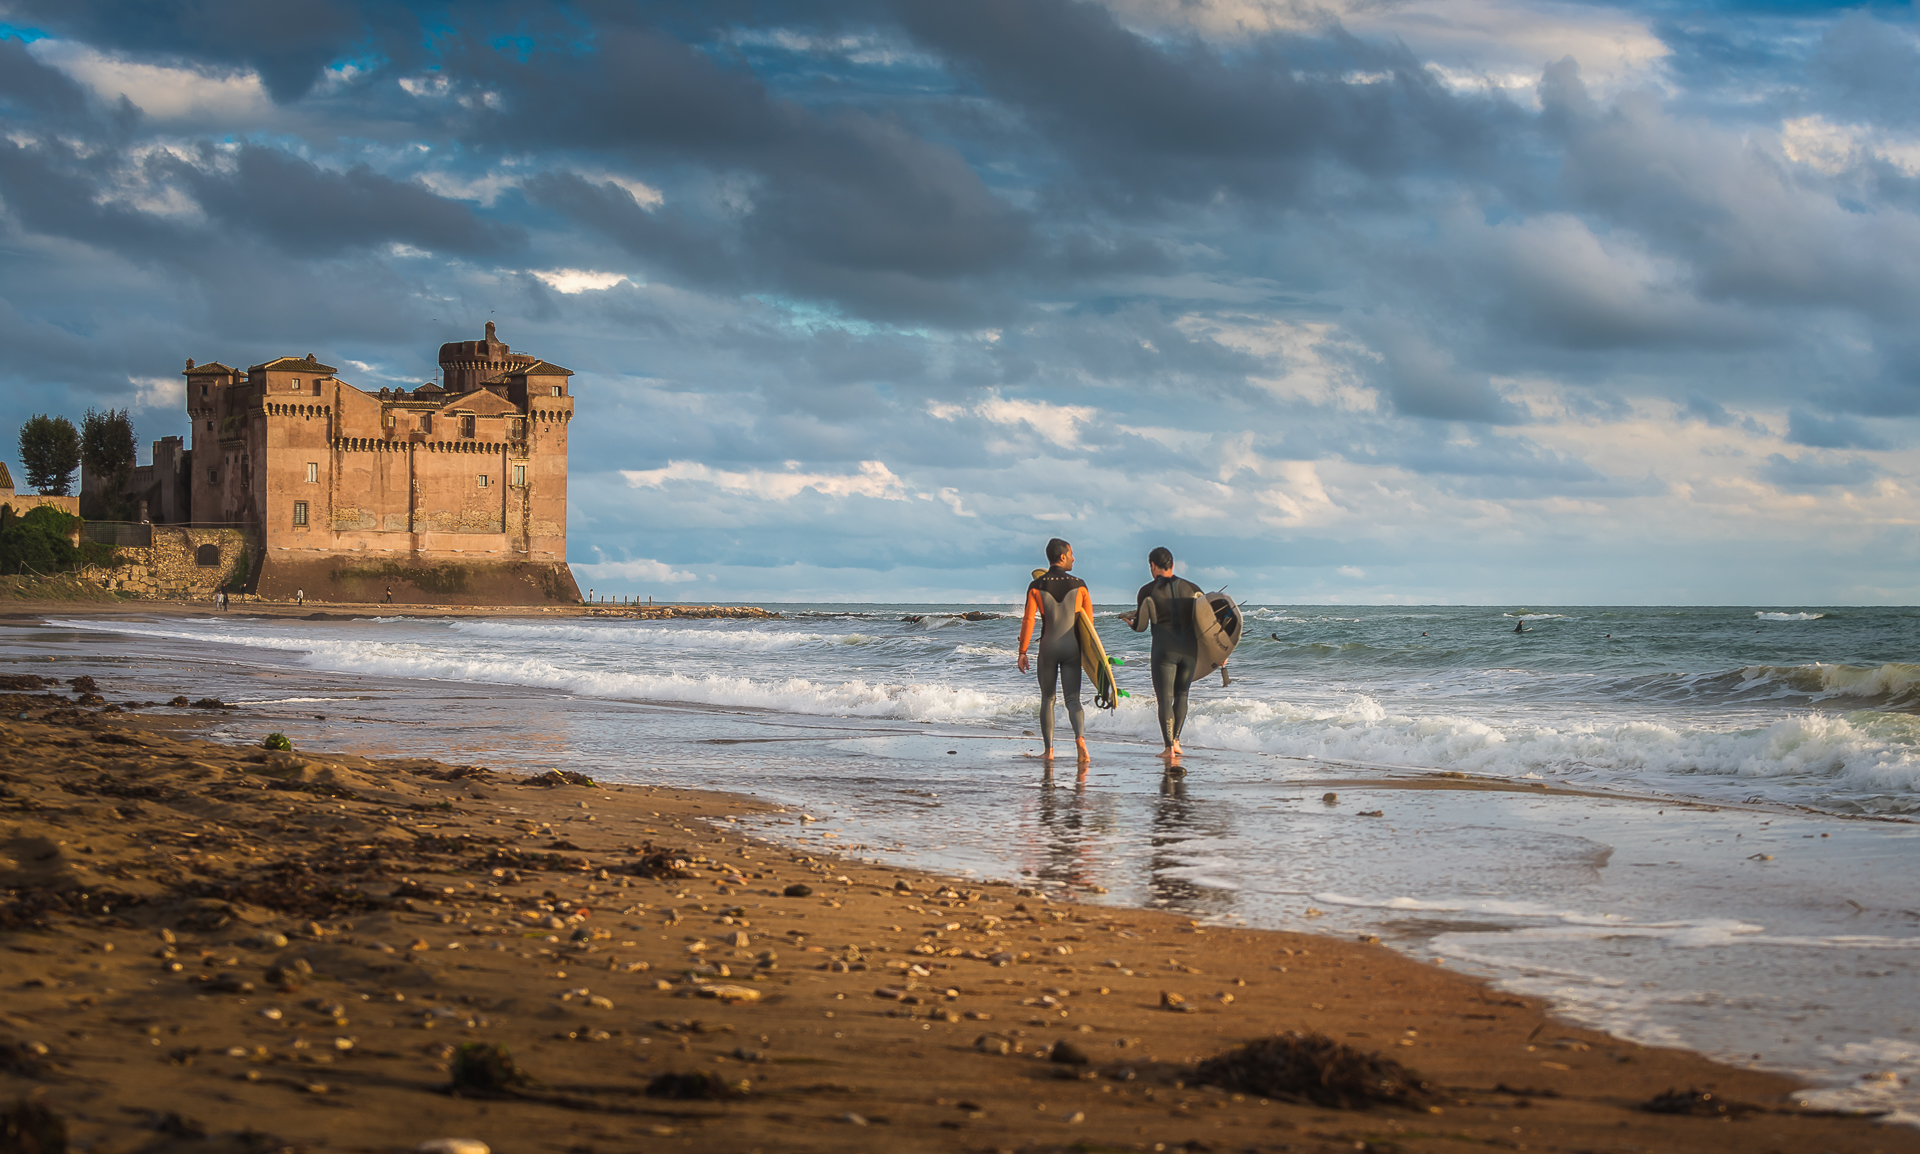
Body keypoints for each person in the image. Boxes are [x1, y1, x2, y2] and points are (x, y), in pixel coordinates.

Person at [1121, 546, 1205, 761]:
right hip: (1190, 651)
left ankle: (1169, 748)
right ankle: (1176, 740)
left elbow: (1141, 626)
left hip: (1164, 651)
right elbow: (1207, 623)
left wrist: (1130, 622)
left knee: (1165, 700)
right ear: (1172, 565)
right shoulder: (1193, 588)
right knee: (1182, 695)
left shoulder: (1147, 591)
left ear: (1152, 566)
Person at [1016, 538, 1093, 764]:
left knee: (1047, 699)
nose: (1073, 559)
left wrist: (1022, 651)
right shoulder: (1080, 585)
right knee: (1073, 700)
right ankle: (1080, 739)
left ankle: (1049, 750)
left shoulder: (1036, 586)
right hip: (1072, 648)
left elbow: (1028, 620)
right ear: (1062, 556)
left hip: (1048, 648)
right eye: (1071, 554)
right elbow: (1089, 626)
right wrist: (1090, 656)